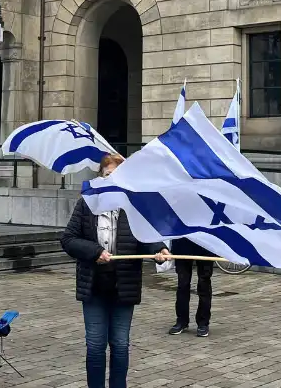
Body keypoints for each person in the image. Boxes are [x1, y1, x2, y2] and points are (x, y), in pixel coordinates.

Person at [61, 154, 170, 388]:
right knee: (96, 344)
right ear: (101, 177)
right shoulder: (87, 203)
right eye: (108, 174)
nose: (113, 180)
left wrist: (159, 248)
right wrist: (94, 252)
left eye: (119, 176)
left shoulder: (133, 207)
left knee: (120, 344)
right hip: (94, 286)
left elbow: (146, 238)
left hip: (124, 287)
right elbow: (68, 239)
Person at [169, 237, 214, 337]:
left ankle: (203, 322)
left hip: (205, 242)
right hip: (182, 241)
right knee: (182, 284)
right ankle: (181, 320)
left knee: (204, 283)